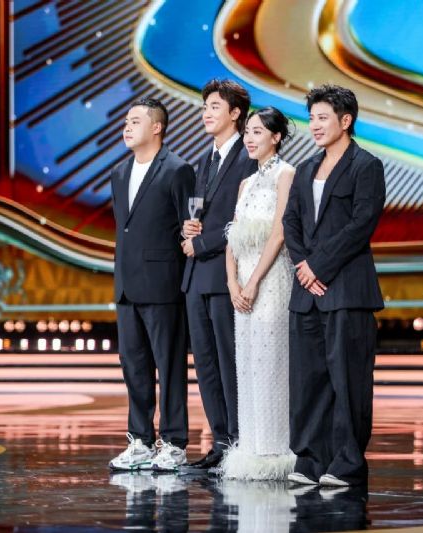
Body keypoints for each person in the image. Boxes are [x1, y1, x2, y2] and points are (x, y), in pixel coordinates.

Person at [282, 85, 386, 487]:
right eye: (311, 118)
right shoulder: (306, 168)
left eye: (322, 118)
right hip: (306, 292)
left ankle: (346, 463)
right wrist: (302, 266)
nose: (314, 125)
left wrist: (319, 266)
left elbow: (361, 225)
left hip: (346, 290)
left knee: (348, 380)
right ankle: (310, 460)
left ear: (346, 120)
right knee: (307, 381)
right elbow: (291, 221)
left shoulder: (366, 166)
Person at [108, 98, 195, 472]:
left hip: (163, 285)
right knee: (134, 366)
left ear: (157, 127)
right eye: (126, 122)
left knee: (169, 366)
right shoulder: (119, 173)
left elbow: (189, 227)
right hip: (127, 286)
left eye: (135, 121)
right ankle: (140, 441)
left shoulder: (177, 170)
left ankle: (174, 443)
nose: (127, 127)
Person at [180, 79, 258, 473]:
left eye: (214, 106)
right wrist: (188, 230)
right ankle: (221, 443)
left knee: (230, 363)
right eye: (205, 106)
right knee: (206, 366)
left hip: (227, 276)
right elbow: (200, 213)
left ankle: (240, 443)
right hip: (196, 277)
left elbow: (244, 221)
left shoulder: (248, 157)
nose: (206, 113)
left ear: (235, 113)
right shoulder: (204, 160)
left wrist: (203, 242)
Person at [219, 107, 296, 480]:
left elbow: (280, 233)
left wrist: (253, 283)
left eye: (257, 132)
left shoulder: (287, 174)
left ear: (276, 137)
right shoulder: (245, 183)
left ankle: (274, 448)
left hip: (271, 280)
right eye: (247, 131)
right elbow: (232, 238)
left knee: (271, 361)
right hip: (242, 284)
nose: (249, 138)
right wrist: (233, 283)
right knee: (247, 363)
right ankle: (250, 447)